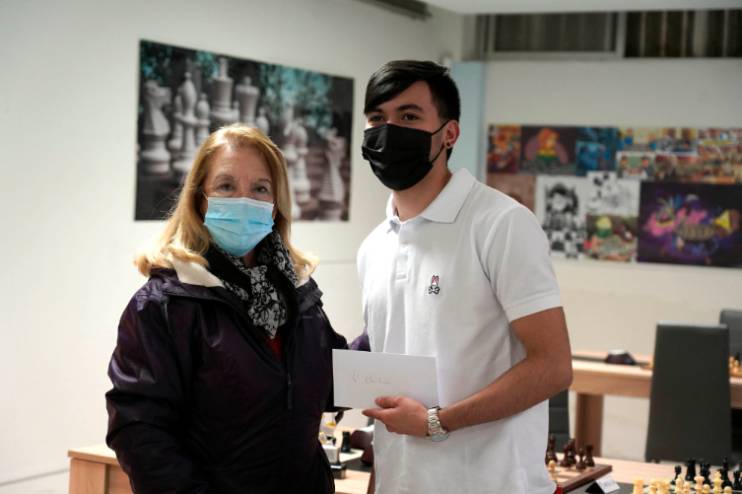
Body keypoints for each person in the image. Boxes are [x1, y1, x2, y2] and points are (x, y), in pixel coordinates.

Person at [353, 60, 573, 494]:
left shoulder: (501, 224)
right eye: (377, 118)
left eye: (409, 116)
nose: (389, 130)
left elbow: (553, 367)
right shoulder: (373, 246)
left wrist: (436, 422)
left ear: (449, 134)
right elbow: (391, 395)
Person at [106, 124, 347, 494]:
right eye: (226, 186)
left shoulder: (298, 294)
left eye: (260, 189)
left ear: (275, 205)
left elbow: (332, 380)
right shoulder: (165, 304)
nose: (243, 200)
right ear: (199, 199)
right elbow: (141, 432)